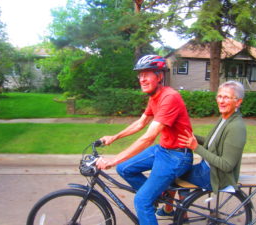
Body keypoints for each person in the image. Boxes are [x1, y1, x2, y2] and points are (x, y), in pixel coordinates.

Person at [96, 55, 193, 225]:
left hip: (177, 156)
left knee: (142, 201)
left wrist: (112, 160)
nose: (142, 79)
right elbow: (141, 123)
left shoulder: (169, 97)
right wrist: (114, 137)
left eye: (147, 74)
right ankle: (160, 194)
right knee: (125, 169)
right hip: (163, 150)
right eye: (140, 75)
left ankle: (152, 196)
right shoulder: (154, 97)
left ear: (159, 76)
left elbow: (148, 137)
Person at [156, 80, 247, 219]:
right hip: (209, 169)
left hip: (215, 176)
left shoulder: (237, 127)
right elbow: (213, 143)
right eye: (220, 96)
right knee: (176, 170)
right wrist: (192, 137)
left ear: (238, 102)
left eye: (227, 97)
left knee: (172, 173)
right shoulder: (225, 118)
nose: (221, 101)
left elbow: (227, 165)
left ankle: (181, 214)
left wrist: (195, 147)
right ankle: (172, 210)